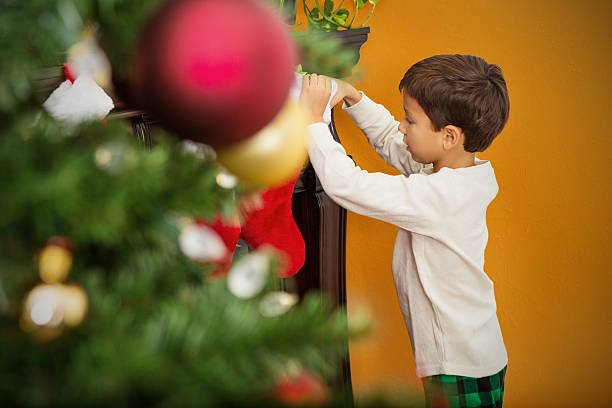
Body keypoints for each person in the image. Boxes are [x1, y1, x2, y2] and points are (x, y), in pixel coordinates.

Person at [298, 54, 510, 408]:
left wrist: (312, 124)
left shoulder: (444, 195)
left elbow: (349, 186)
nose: (401, 126)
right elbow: (390, 139)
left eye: (410, 120)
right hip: (465, 355)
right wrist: (354, 98)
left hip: (461, 365)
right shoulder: (449, 171)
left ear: (449, 136)